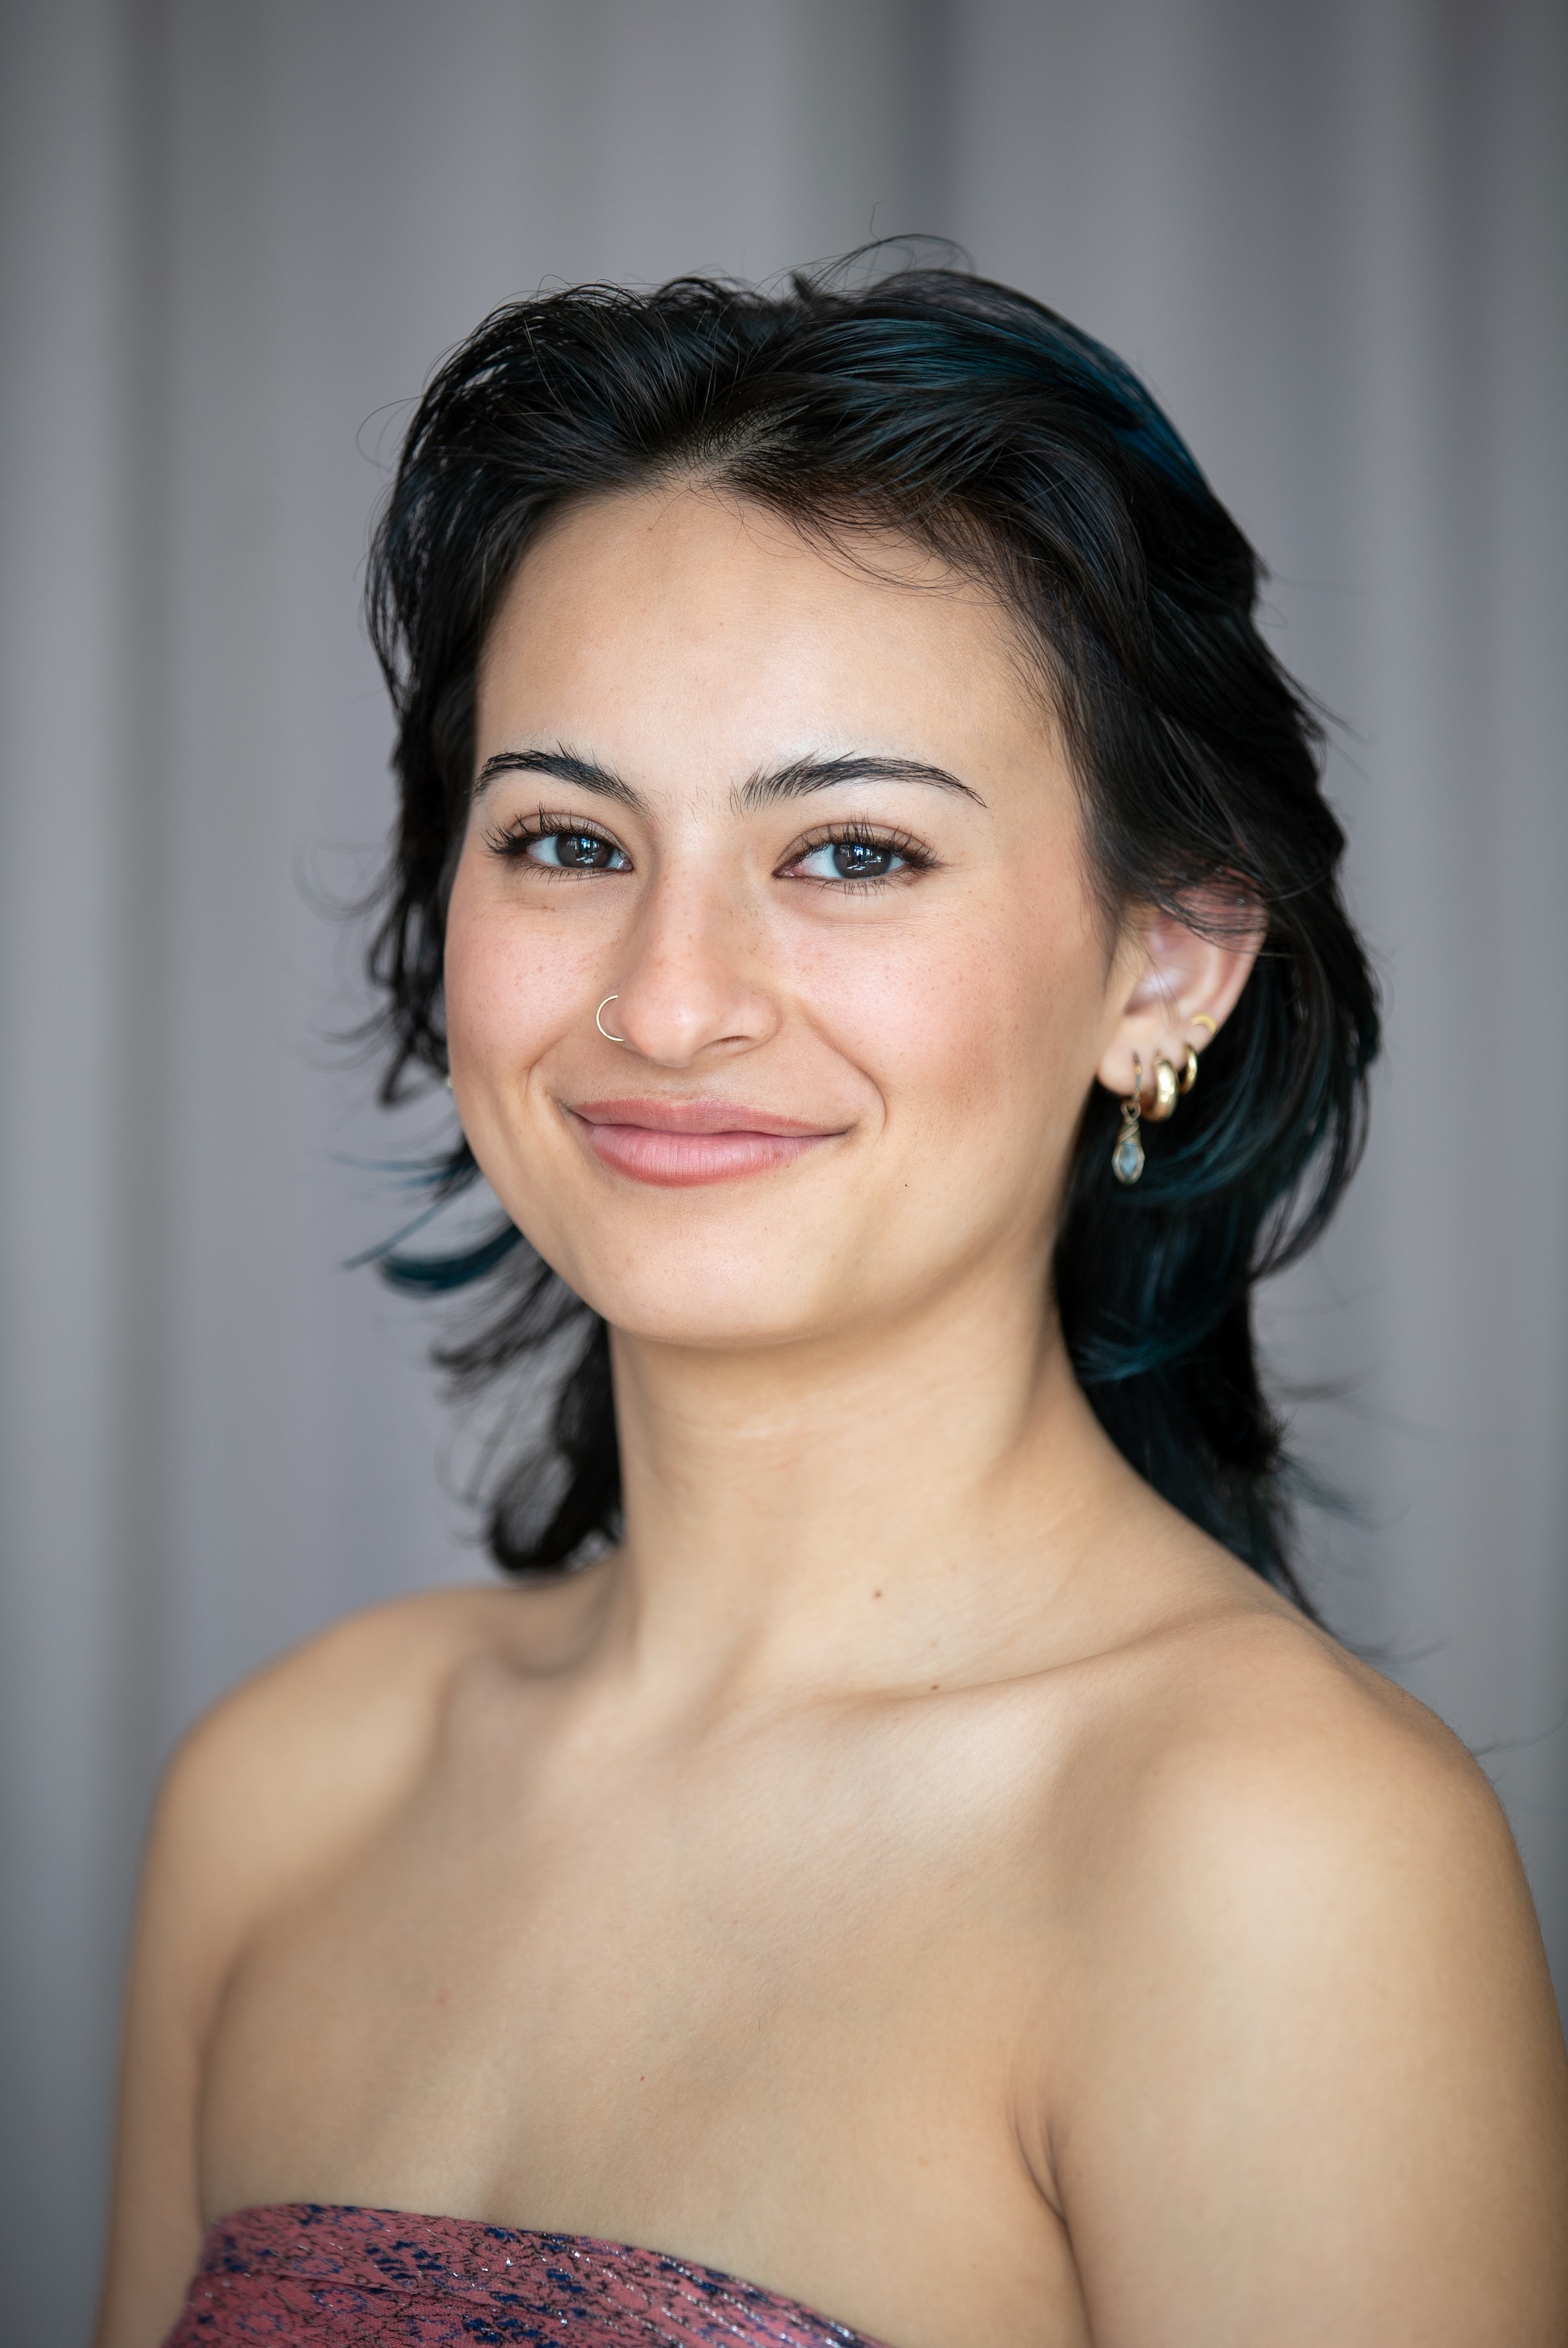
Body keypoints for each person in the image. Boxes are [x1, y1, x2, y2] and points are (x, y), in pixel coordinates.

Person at [96, 262, 1568, 2348]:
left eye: (853, 853)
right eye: (565, 839)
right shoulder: (285, 1786)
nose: (670, 999)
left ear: (1162, 970)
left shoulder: (1273, 1863)